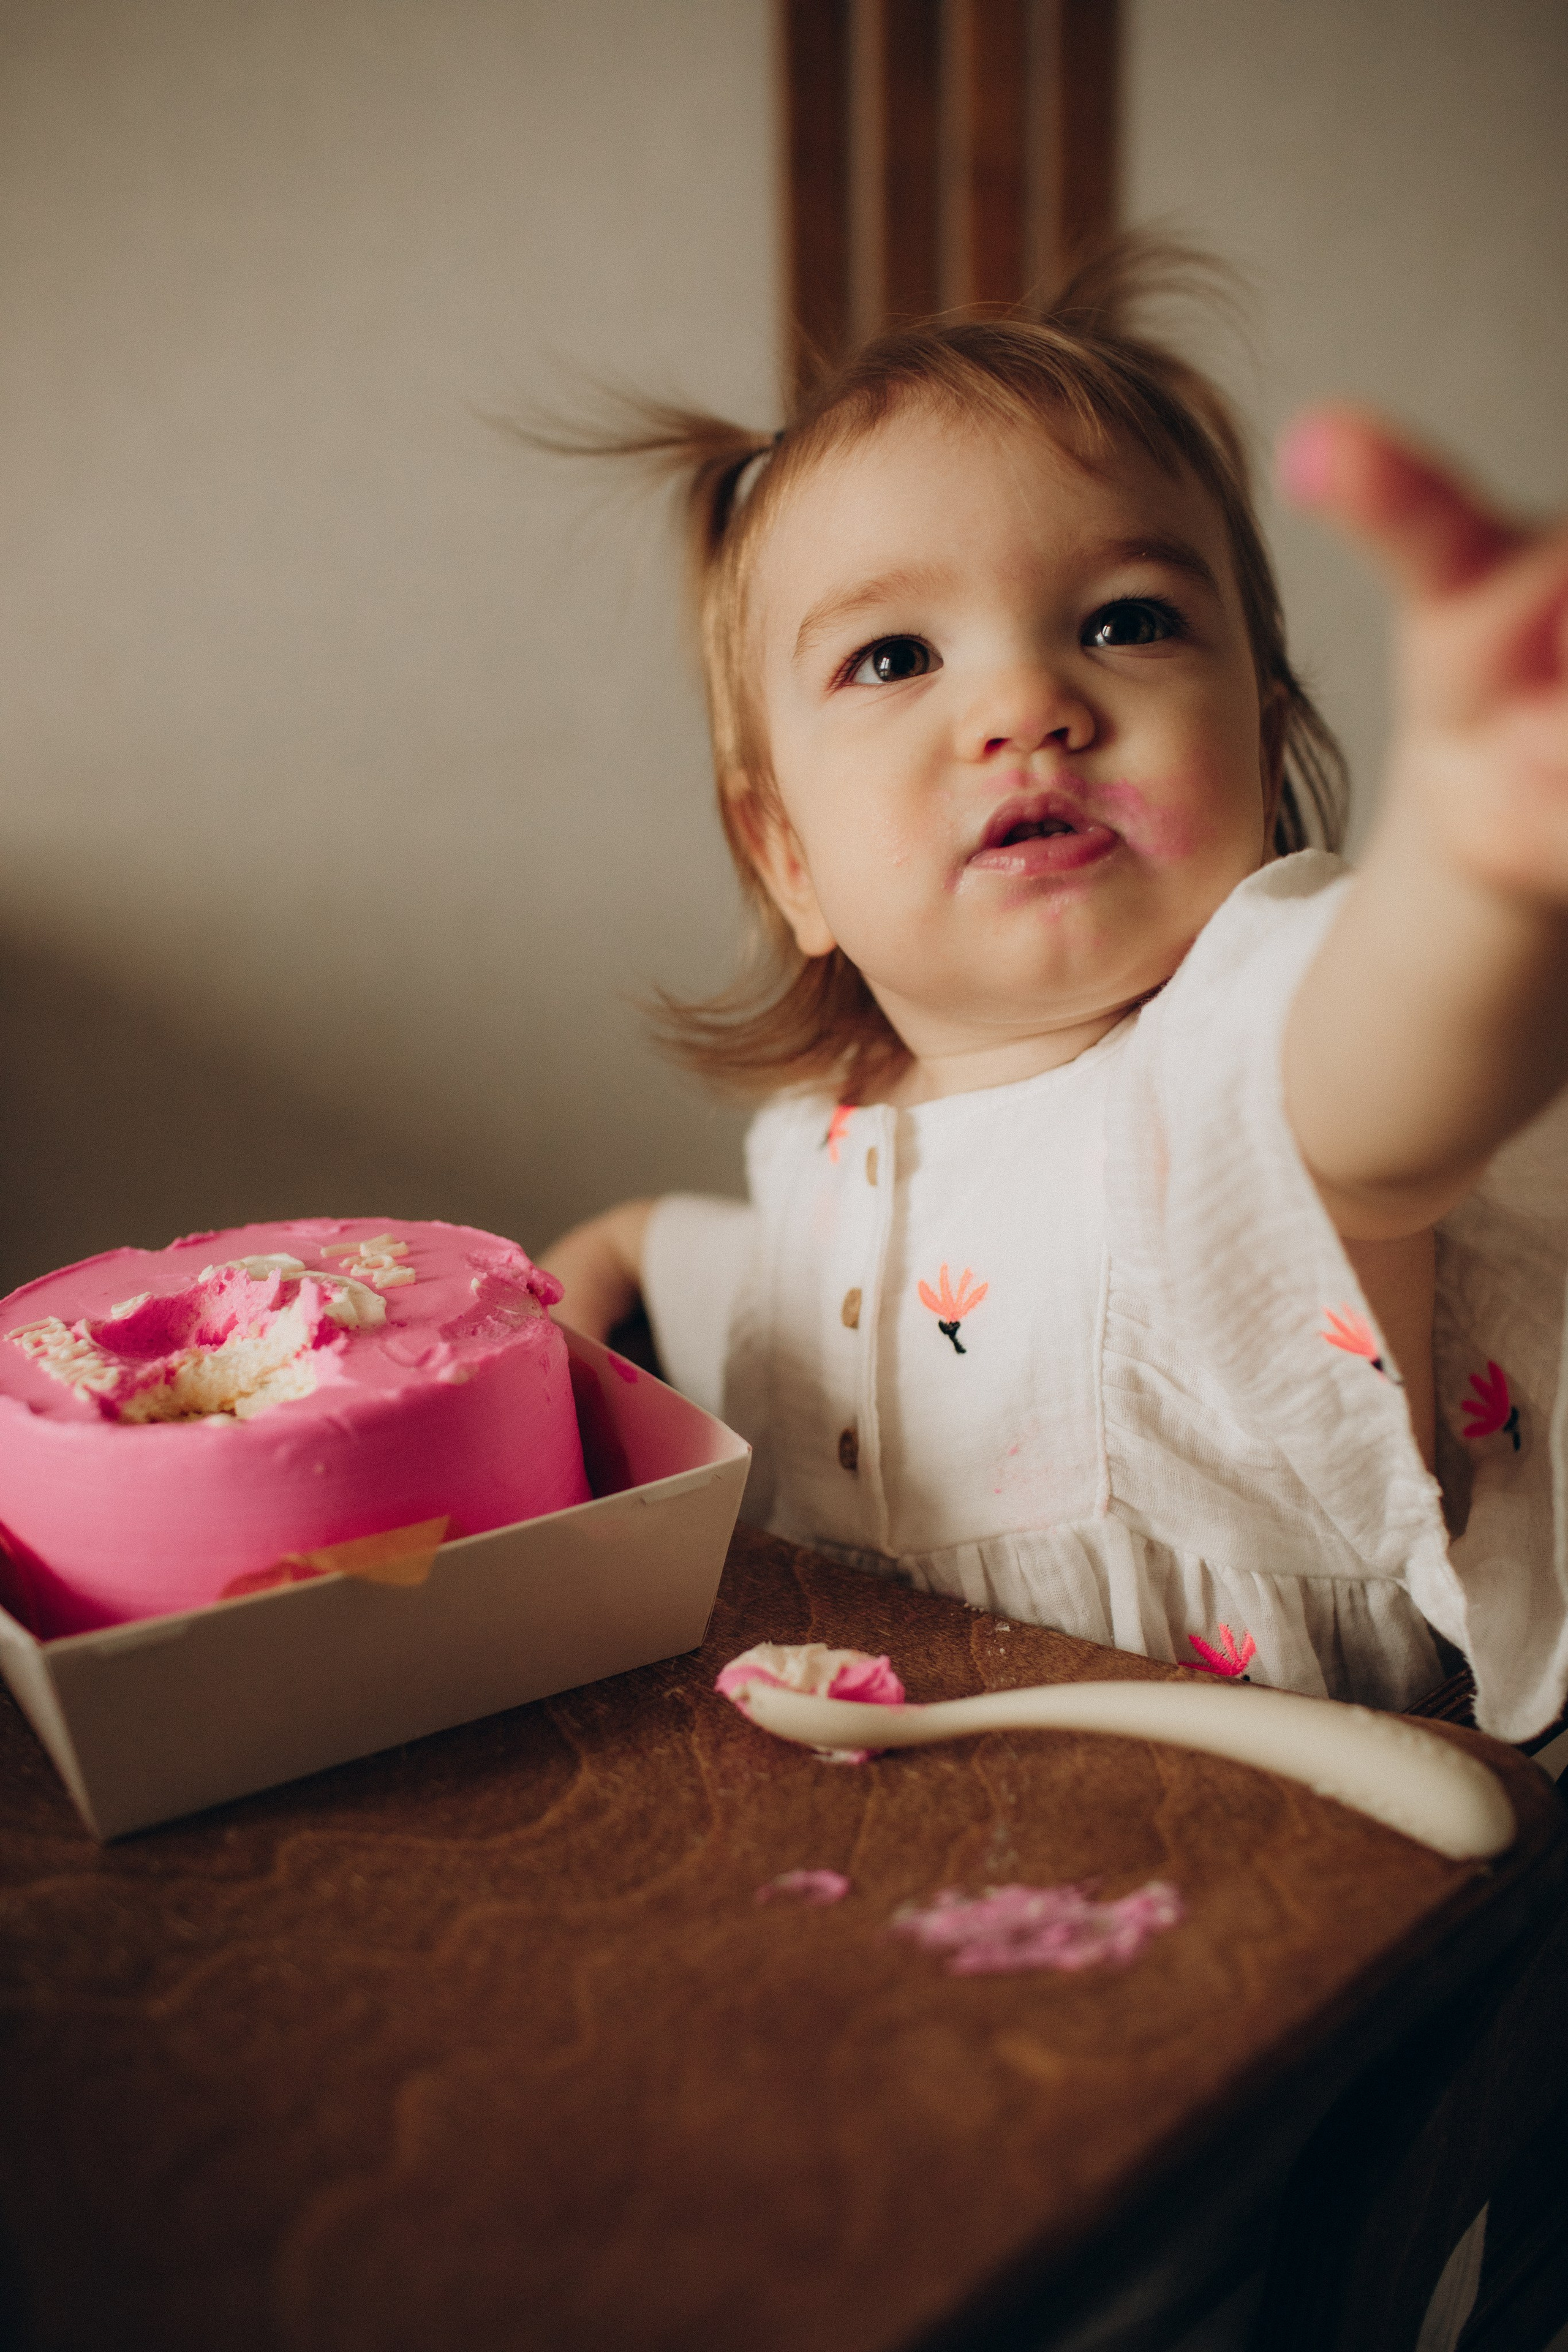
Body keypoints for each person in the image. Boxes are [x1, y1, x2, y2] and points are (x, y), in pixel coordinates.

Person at [540, 242, 1568, 1742]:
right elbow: (703, 1268)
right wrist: (578, 1284)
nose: (1026, 705)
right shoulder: (825, 1154)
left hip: (1298, 1899)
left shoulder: (1242, 1046)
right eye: (895, 655)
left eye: (1125, 621)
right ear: (787, 861)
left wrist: (1479, 871)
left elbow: (1394, 1082)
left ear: (1263, 743)